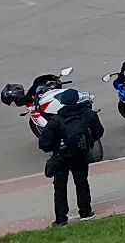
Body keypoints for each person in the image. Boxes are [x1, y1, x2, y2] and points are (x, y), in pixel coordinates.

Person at [39, 86, 104, 226]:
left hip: (61, 156)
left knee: (60, 188)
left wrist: (56, 147)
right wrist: (88, 142)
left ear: (62, 102)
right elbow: (99, 132)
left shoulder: (56, 120)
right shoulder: (88, 114)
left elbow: (44, 143)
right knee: (82, 183)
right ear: (77, 99)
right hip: (81, 154)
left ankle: (61, 219)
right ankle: (85, 213)